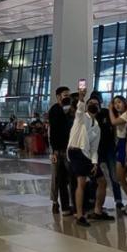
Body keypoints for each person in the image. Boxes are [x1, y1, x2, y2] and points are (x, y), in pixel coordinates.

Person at [67, 88, 114, 227]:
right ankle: (80, 215)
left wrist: (94, 163)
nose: (94, 105)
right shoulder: (81, 118)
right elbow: (79, 109)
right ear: (87, 106)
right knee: (81, 182)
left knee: (102, 181)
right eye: (91, 103)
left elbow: (94, 148)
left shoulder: (97, 127)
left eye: (96, 104)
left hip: (87, 155)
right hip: (76, 152)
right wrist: (81, 97)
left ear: (99, 108)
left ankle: (97, 211)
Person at [94, 94, 124, 211]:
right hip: (96, 150)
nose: (94, 105)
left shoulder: (106, 112)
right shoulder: (89, 116)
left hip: (110, 149)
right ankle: (94, 201)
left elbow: (115, 125)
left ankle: (118, 200)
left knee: (114, 175)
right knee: (96, 176)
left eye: (96, 103)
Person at [48, 85, 74, 215]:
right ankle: (54, 202)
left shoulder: (70, 110)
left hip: (69, 149)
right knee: (56, 177)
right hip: (57, 150)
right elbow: (52, 131)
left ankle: (68, 205)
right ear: (58, 97)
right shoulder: (54, 110)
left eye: (69, 95)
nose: (67, 98)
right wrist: (52, 151)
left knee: (68, 178)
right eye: (65, 95)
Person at [108, 95, 127, 214]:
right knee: (121, 177)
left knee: (121, 176)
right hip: (121, 145)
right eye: (115, 103)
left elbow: (114, 122)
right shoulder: (121, 114)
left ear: (125, 102)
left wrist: (110, 109)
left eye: (119, 102)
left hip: (126, 145)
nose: (117, 105)